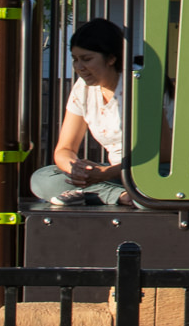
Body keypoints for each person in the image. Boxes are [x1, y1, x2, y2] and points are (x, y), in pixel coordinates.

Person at [31, 18, 132, 207]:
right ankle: (122, 196)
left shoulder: (137, 84)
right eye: (75, 60)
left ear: (111, 58)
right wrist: (76, 170)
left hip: (156, 172)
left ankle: (119, 196)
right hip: (117, 174)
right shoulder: (83, 88)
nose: (79, 67)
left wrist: (107, 173)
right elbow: (65, 149)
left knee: (151, 194)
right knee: (41, 178)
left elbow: (162, 154)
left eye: (86, 59)